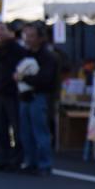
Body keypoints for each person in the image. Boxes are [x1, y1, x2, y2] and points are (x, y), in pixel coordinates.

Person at [14, 22, 58, 176]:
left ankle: (44, 164)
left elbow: (44, 79)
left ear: (40, 38)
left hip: (39, 96)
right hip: (24, 96)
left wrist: (24, 78)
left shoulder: (48, 56)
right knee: (25, 132)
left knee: (40, 131)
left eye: (32, 36)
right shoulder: (25, 54)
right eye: (27, 36)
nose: (28, 39)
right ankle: (30, 162)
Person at [0, 21, 25, 171]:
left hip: (14, 93)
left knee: (17, 127)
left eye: (2, 30)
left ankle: (17, 160)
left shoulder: (19, 50)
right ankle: (3, 158)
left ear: (11, 32)